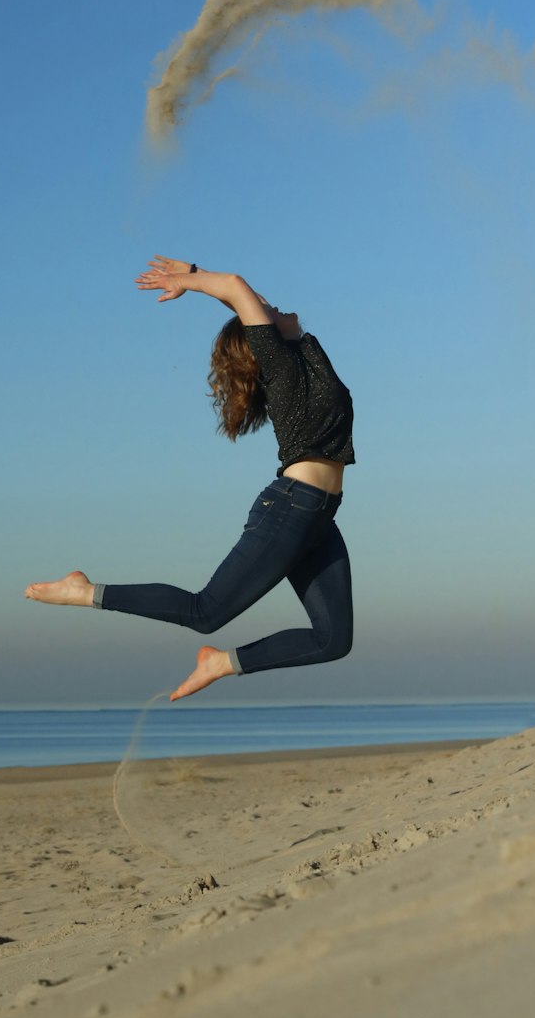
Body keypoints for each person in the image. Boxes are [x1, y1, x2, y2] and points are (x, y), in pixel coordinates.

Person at [25, 256, 354, 701]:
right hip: (292, 508)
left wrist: (198, 270)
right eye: (262, 313)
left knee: (333, 639)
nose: (272, 307)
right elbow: (238, 289)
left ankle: (221, 662)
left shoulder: (304, 348)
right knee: (205, 612)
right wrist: (192, 280)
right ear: (261, 339)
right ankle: (85, 591)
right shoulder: (281, 366)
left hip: (319, 517)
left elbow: (253, 301)